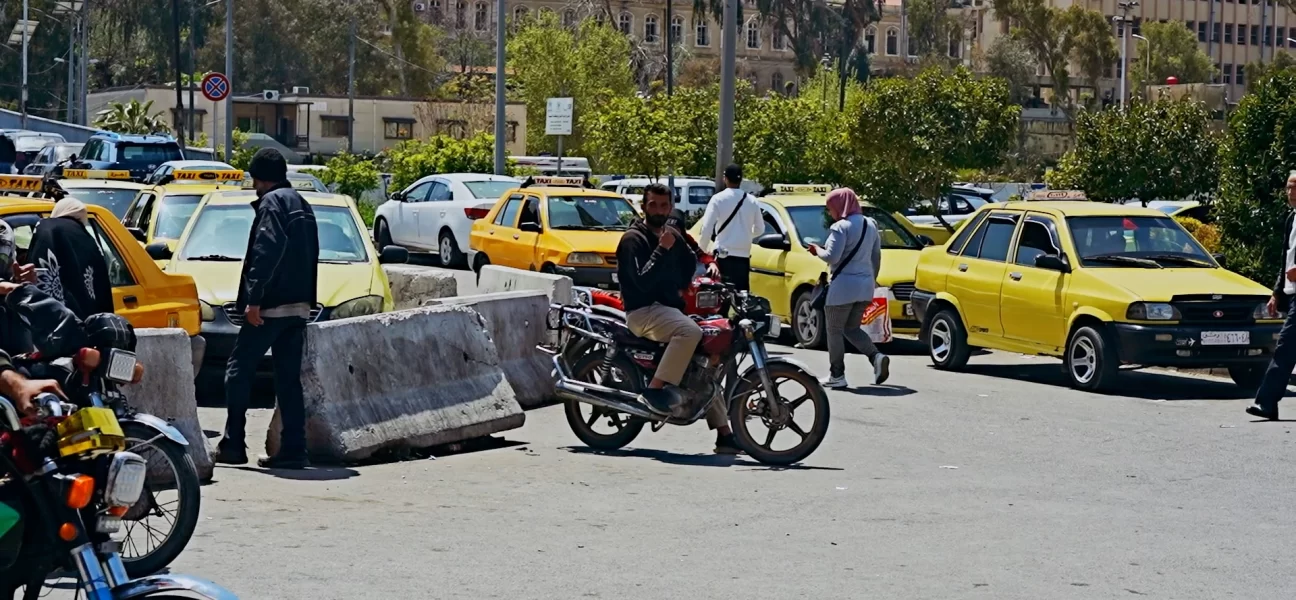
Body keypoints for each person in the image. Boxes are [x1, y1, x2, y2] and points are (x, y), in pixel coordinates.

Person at [215, 148, 319, 469]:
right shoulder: (302, 203)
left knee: (238, 370)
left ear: (259, 178)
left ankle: (233, 444)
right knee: (288, 380)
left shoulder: (272, 203)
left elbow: (267, 250)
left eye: (254, 179)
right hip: (299, 306)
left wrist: (254, 300)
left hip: (270, 306)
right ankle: (294, 450)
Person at [617, 183, 740, 455]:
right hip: (643, 311)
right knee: (690, 333)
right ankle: (655, 390)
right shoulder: (632, 240)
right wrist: (661, 250)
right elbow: (640, 283)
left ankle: (725, 435)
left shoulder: (673, 234)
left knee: (704, 361)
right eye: (653, 205)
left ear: (671, 208)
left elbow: (689, 262)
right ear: (643, 207)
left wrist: (699, 276)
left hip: (669, 309)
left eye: (664, 206)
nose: (658, 210)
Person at [807, 188, 890, 389]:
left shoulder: (840, 227)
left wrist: (817, 250)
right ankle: (876, 357)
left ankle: (837, 374)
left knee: (834, 330)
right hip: (865, 287)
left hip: (842, 288)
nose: (830, 212)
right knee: (851, 328)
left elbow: (832, 257)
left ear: (839, 206)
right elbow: (876, 257)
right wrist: (872, 280)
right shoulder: (870, 224)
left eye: (830, 208)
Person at [1247, 173, 1296, 420]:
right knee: (1287, 348)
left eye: (1295, 188)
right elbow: (1285, 259)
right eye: (1288, 188)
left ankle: (1267, 403)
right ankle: (1267, 403)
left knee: (1286, 347)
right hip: (1292, 293)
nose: (1291, 193)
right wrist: (1277, 292)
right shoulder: (1291, 218)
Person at [27, 198, 115, 320]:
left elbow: (39, 269)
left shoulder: (47, 227)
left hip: (55, 318)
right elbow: (100, 286)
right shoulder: (89, 240)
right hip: (86, 321)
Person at [697, 164, 763, 291]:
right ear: (741, 180)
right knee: (741, 296)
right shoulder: (752, 200)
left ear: (725, 178)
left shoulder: (718, 199)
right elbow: (760, 229)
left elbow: (706, 228)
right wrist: (745, 234)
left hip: (723, 256)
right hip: (743, 257)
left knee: (721, 295)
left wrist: (702, 252)